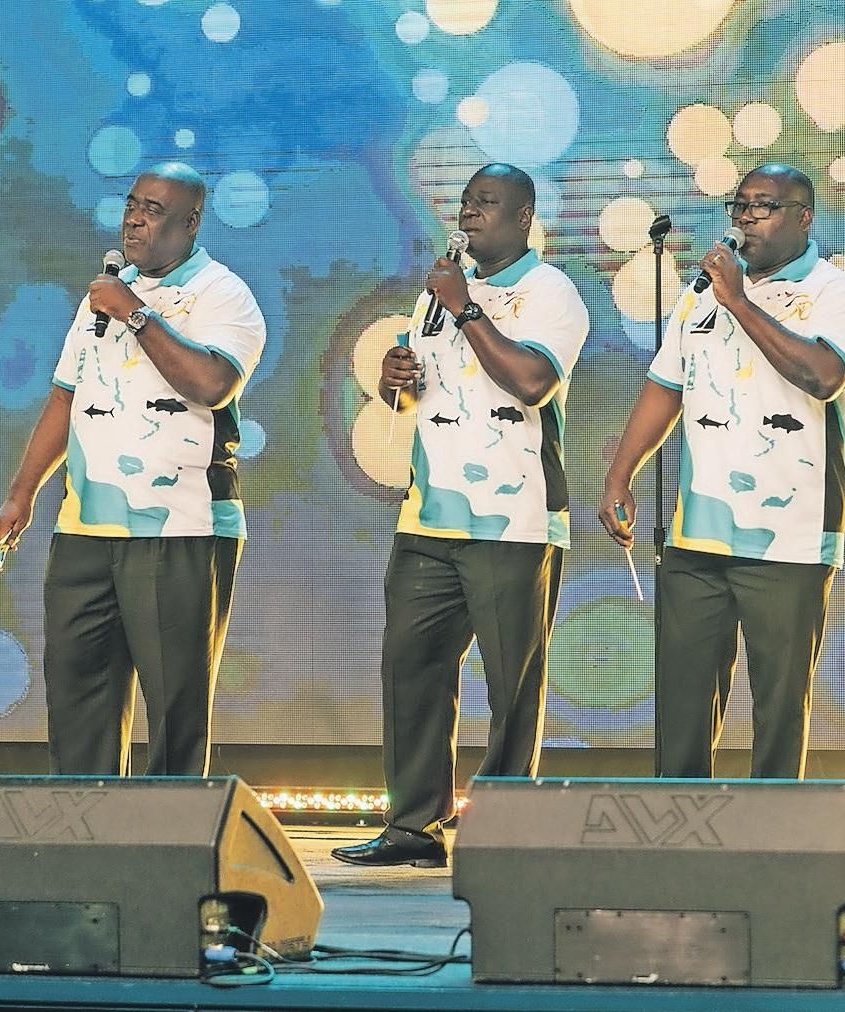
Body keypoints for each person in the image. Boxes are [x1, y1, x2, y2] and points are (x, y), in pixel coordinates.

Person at [332, 164, 589, 868]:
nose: (469, 213)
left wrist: (468, 308)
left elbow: (532, 381)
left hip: (514, 520)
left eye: (486, 203)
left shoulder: (550, 292)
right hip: (429, 516)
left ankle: (503, 828)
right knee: (411, 668)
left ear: (523, 217)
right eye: (466, 201)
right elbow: (420, 397)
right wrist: (395, 380)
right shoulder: (437, 295)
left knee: (512, 681)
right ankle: (413, 826)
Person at [0, 161, 266, 777]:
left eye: (154, 210)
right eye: (132, 205)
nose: (135, 220)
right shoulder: (103, 296)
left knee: (175, 702)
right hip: (86, 526)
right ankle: (86, 821)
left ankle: (173, 827)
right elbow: (65, 396)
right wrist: (21, 492)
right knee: (78, 692)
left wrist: (137, 315)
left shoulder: (223, 294)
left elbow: (213, 384)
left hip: (182, 528)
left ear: (191, 222)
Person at [599, 163, 845, 779]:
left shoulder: (834, 293)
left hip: (789, 538)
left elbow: (823, 377)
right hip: (698, 532)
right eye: (740, 205)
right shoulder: (702, 292)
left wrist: (740, 301)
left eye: (764, 206)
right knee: (683, 700)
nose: (747, 217)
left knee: (780, 702)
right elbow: (666, 385)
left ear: (803, 217)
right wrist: (620, 475)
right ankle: (677, 816)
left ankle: (772, 825)